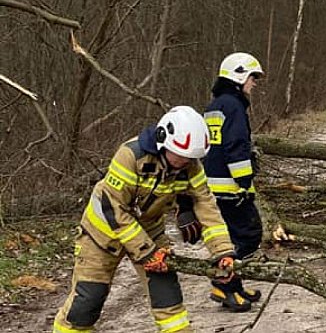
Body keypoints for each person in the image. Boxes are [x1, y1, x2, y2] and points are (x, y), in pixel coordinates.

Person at [53, 106, 241, 333]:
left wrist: (222, 251)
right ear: (164, 141)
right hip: (102, 235)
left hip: (150, 232)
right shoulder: (131, 155)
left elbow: (206, 205)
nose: (185, 162)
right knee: (86, 303)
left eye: (191, 157)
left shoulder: (190, 165)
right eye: (181, 156)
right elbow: (113, 207)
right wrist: (146, 252)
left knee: (168, 297)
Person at [203, 52, 264, 309]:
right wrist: (245, 182)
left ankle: (234, 284)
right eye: (253, 78)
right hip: (231, 186)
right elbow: (236, 147)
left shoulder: (215, 105)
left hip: (213, 185)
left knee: (230, 238)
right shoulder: (235, 106)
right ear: (239, 76)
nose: (255, 83)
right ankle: (223, 283)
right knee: (249, 236)